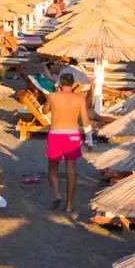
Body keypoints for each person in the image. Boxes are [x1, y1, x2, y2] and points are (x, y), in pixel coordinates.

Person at [43, 70, 92, 213]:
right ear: (73, 84)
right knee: (71, 171)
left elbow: (45, 111)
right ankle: (69, 205)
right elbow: (86, 121)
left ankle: (58, 195)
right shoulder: (79, 99)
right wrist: (89, 141)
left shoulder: (53, 96)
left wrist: (50, 99)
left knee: (52, 169)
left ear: (60, 84)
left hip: (56, 134)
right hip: (72, 135)